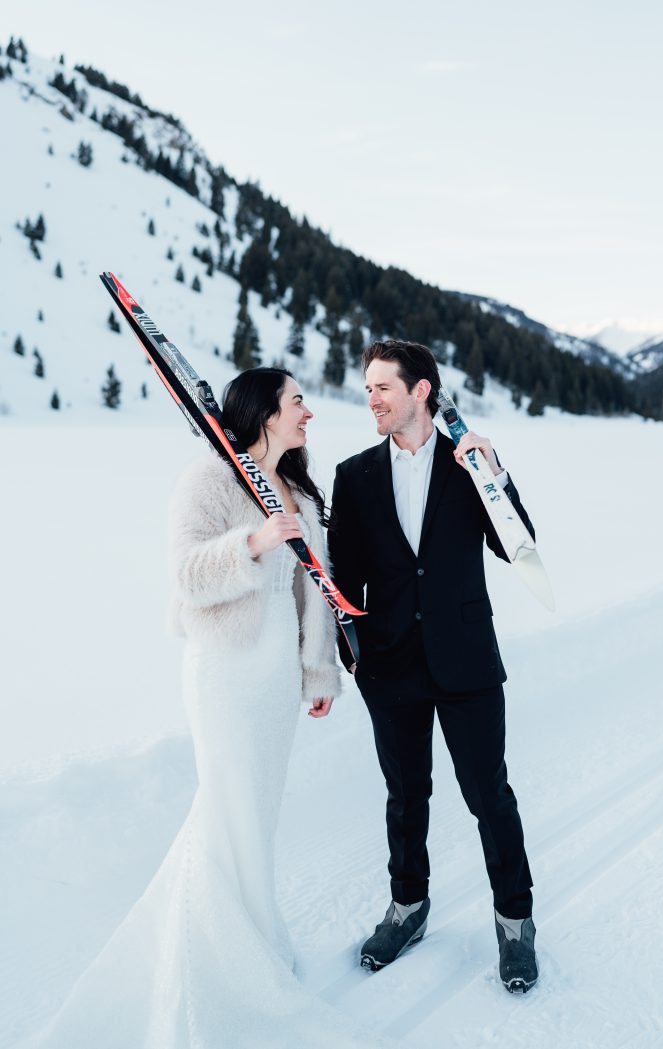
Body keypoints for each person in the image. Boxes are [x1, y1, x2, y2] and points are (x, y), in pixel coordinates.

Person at [24, 368, 389, 1048]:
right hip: (226, 672)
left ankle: (249, 935)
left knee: (258, 815)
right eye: (296, 400)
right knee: (227, 811)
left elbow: (313, 591)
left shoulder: (300, 491)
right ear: (263, 412)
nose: (309, 411)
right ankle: (217, 969)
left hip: (277, 677)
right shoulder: (211, 480)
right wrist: (253, 542)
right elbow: (187, 575)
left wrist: (317, 674)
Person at [328, 340, 539, 993]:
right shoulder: (354, 474)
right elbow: (344, 579)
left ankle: (515, 921)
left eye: (383, 386)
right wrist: (354, 657)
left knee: (488, 794)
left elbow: (516, 546)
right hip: (391, 668)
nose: (372, 398)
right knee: (405, 795)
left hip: (467, 660)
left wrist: (494, 474)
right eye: (367, 388)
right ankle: (408, 906)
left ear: (421, 390)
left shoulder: (467, 464)